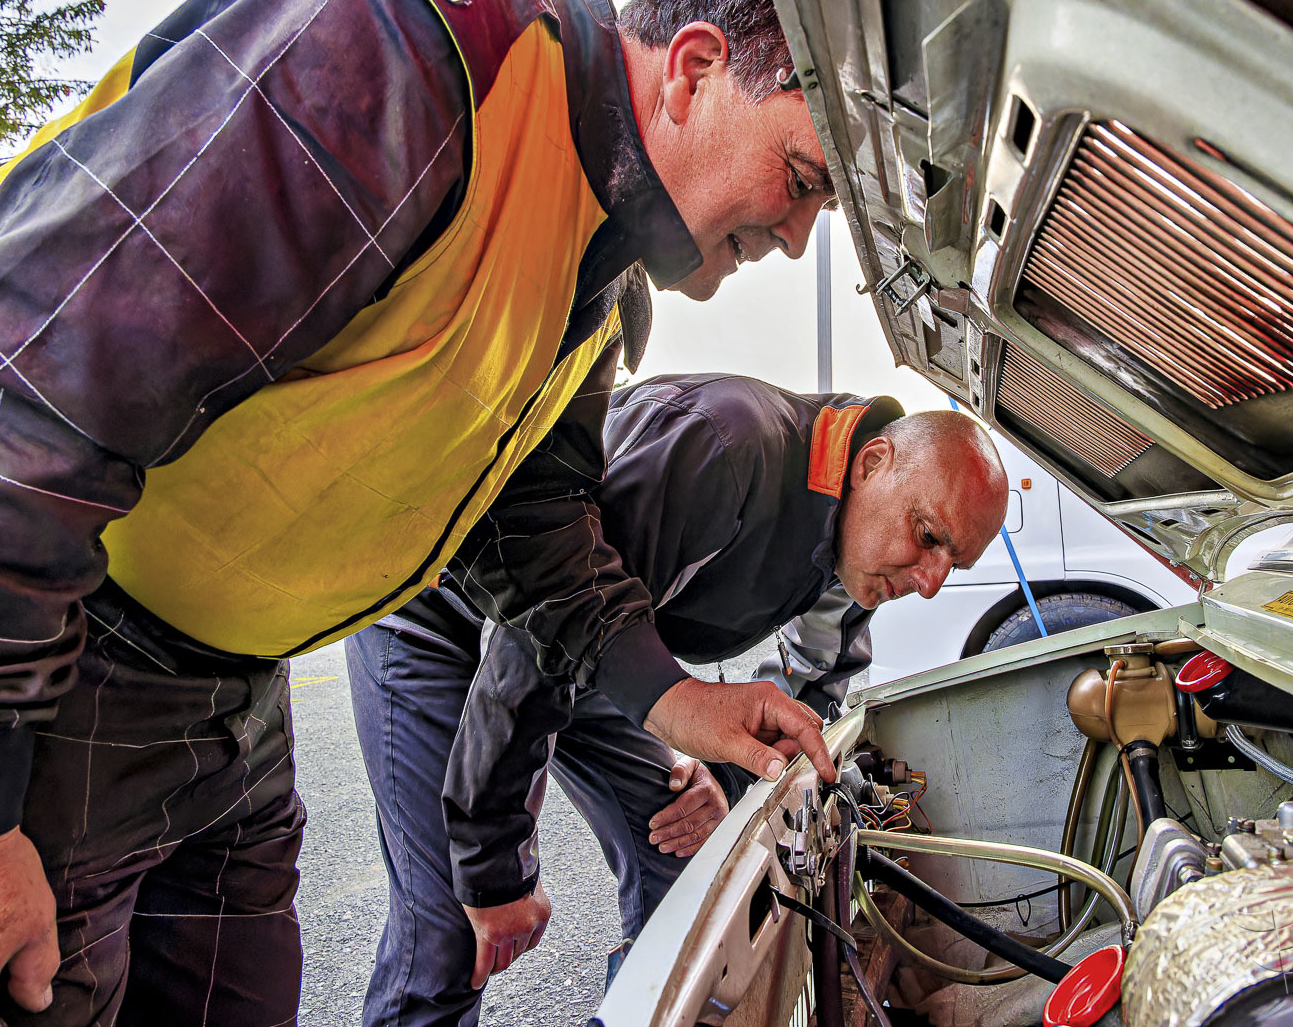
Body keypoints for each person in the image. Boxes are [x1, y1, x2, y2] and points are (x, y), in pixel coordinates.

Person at [0, 0, 842, 1022]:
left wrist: (678, 699)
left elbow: (531, 527)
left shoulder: (597, 277)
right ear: (695, 70)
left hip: (237, 701)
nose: (796, 237)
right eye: (801, 178)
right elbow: (32, 375)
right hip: (67, 655)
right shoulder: (413, 56)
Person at [348, 375, 1011, 1024]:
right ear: (872, 462)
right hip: (443, 608)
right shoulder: (724, 447)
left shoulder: (855, 551)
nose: (930, 582)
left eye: (952, 564)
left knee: (682, 859)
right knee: (453, 925)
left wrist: (725, 781)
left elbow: (804, 696)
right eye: (928, 536)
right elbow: (545, 615)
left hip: (590, 648)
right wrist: (493, 861)